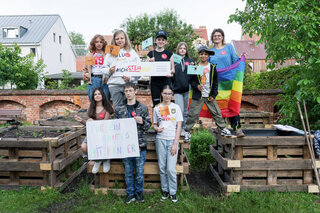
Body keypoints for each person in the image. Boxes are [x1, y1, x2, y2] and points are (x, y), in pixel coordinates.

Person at [184, 46, 232, 142]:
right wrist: (197, 86)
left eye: (205, 54)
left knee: (217, 112)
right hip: (198, 95)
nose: (203, 56)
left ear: (208, 55)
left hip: (209, 95)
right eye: (201, 54)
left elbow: (215, 83)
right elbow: (191, 81)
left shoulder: (212, 67)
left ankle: (223, 128)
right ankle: (187, 131)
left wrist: (213, 95)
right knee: (193, 114)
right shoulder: (195, 66)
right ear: (199, 55)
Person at [114, 82, 151, 204]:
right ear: (124, 93)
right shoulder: (119, 108)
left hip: (140, 146)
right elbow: (115, 127)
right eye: (126, 91)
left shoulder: (143, 108)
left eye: (130, 90)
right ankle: (130, 194)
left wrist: (142, 122)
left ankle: (139, 193)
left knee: (140, 172)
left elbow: (148, 126)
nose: (128, 93)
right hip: (125, 146)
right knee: (128, 172)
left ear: (136, 91)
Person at [209, 28, 245, 137]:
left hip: (229, 80)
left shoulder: (229, 47)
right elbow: (207, 66)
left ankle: (237, 129)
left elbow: (235, 61)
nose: (217, 37)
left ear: (222, 37)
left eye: (219, 35)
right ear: (212, 38)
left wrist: (242, 59)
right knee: (218, 104)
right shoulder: (210, 51)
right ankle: (221, 128)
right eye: (215, 36)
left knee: (231, 104)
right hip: (216, 82)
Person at [153, 84, 182, 203]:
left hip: (172, 140)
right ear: (161, 94)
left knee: (171, 169)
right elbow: (154, 124)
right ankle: (165, 191)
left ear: (172, 95)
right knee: (162, 167)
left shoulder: (176, 107)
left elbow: (179, 126)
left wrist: (175, 143)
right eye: (165, 93)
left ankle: (173, 192)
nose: (167, 96)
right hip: (160, 139)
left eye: (169, 93)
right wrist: (156, 128)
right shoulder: (157, 108)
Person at [74, 87, 114, 174]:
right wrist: (82, 121)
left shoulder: (107, 108)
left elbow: (105, 124)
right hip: (93, 134)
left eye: (99, 94)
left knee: (102, 144)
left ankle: (106, 159)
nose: (97, 96)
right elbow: (90, 126)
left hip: (104, 134)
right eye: (95, 94)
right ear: (93, 97)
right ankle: (97, 160)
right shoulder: (91, 108)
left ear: (103, 95)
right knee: (84, 146)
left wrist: (93, 121)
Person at [102, 30, 140, 108]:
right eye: (117, 39)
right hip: (114, 85)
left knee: (130, 107)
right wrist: (109, 70)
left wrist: (131, 77)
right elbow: (103, 69)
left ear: (125, 39)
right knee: (118, 108)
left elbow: (139, 69)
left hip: (128, 85)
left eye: (122, 38)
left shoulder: (132, 53)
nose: (120, 40)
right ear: (114, 40)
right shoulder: (110, 54)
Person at [147, 30, 175, 107]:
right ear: (155, 41)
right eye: (159, 39)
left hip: (166, 82)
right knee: (156, 104)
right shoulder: (150, 54)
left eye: (163, 40)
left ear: (166, 41)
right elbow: (147, 70)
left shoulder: (169, 53)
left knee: (166, 104)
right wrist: (150, 63)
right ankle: (156, 119)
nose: (161, 41)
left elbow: (173, 70)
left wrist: (170, 73)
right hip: (154, 83)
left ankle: (166, 119)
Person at [172, 42, 194, 136]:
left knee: (185, 111)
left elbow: (193, 75)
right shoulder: (174, 60)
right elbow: (171, 75)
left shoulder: (190, 60)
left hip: (187, 89)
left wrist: (193, 66)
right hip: (177, 90)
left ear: (186, 50)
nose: (182, 50)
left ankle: (184, 129)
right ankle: (178, 129)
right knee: (179, 110)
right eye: (180, 48)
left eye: (184, 48)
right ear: (178, 49)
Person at [83, 34, 110, 101]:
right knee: (93, 101)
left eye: (101, 42)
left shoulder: (107, 55)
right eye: (97, 42)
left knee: (106, 100)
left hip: (105, 79)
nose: (99, 44)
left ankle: (105, 112)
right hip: (93, 79)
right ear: (93, 43)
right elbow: (85, 69)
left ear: (103, 43)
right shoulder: (89, 55)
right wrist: (85, 74)